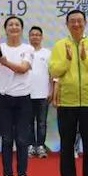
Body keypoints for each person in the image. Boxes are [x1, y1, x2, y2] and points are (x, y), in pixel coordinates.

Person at [49, 9, 88, 176]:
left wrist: (85, 58)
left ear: (85, 23)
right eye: (72, 21)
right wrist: (67, 60)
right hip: (67, 102)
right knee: (67, 143)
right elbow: (54, 71)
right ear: (67, 24)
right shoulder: (60, 45)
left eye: (79, 21)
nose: (76, 24)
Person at [0, 16, 35, 176]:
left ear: (21, 29)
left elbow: (23, 68)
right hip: (3, 99)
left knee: (22, 140)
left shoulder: (27, 48)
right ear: (5, 29)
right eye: (10, 25)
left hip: (23, 99)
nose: (13, 27)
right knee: (7, 139)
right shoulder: (0, 47)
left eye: (17, 25)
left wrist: (6, 62)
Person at [28, 26, 52, 158]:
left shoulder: (47, 53)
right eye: (32, 35)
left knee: (42, 121)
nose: (35, 37)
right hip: (27, 93)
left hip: (43, 93)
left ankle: (41, 146)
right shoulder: (25, 52)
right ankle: (31, 146)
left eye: (38, 35)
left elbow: (52, 74)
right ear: (29, 37)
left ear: (42, 37)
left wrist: (51, 91)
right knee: (29, 122)